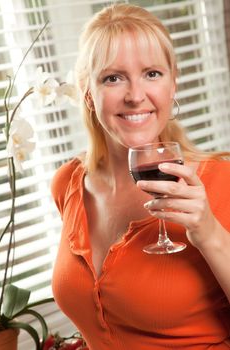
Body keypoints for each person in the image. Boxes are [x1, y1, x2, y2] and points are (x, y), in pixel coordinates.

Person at [51, 3, 230, 349]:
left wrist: (207, 230)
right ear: (89, 92)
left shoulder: (221, 181)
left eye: (152, 73)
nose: (135, 96)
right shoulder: (68, 183)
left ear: (173, 83)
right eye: (113, 78)